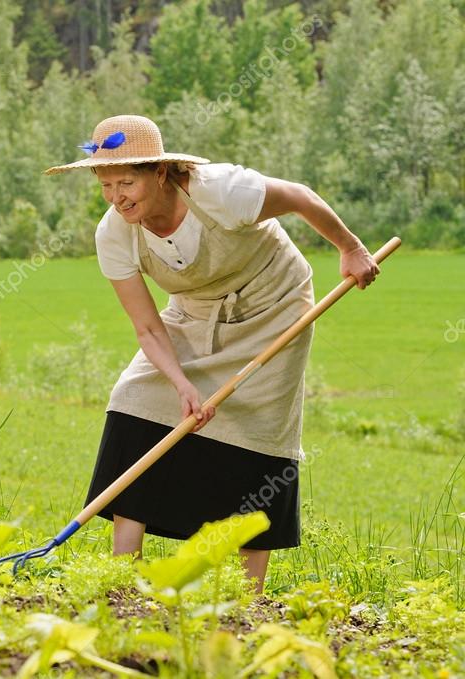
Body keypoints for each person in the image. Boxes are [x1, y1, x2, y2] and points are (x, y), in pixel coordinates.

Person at [45, 115, 379, 592]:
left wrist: (351, 248)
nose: (116, 197)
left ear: (160, 172)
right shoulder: (114, 233)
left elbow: (300, 197)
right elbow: (147, 327)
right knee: (135, 401)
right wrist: (182, 384)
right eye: (105, 185)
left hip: (274, 306)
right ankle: (122, 582)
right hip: (194, 312)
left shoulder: (221, 190)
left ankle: (248, 597)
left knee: (260, 431)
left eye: (126, 182)